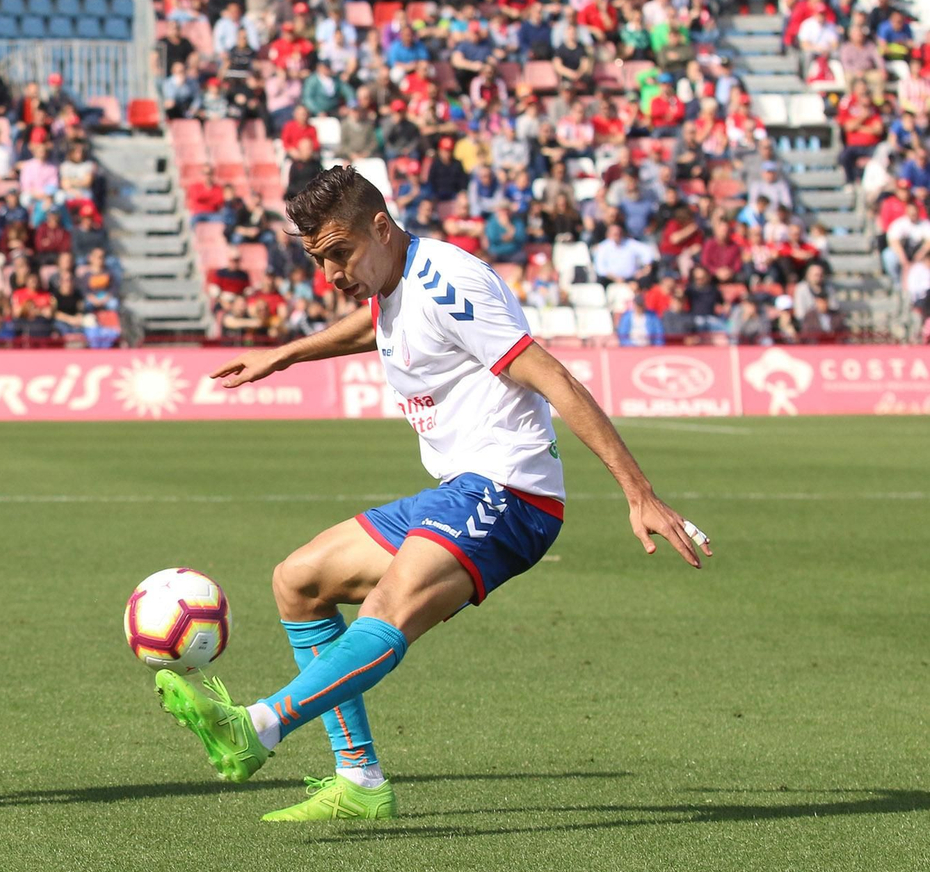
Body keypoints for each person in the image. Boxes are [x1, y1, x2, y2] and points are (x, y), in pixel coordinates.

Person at [158, 166, 709, 820]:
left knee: (386, 610)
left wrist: (638, 492)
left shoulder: (450, 281)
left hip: (511, 492)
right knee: (298, 581)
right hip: (459, 488)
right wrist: (288, 353)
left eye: (340, 253)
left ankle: (257, 726)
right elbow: (381, 328)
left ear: (382, 228)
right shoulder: (395, 284)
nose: (332, 275)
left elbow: (552, 375)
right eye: (319, 260)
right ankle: (359, 780)